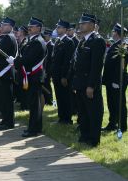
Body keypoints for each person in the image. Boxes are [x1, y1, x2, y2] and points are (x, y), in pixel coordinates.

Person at [72, 13, 106, 147]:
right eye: (80, 23)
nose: (81, 25)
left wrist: (91, 85)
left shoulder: (97, 41)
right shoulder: (82, 40)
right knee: (83, 111)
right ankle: (84, 135)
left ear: (92, 25)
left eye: (84, 23)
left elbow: (96, 67)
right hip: (80, 83)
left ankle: (93, 139)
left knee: (93, 112)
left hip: (89, 84)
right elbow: (77, 64)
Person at [10, 17, 46, 137]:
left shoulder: (37, 42)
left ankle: (33, 130)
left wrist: (15, 61)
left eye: (32, 26)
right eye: (29, 26)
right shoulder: (32, 40)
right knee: (33, 104)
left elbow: (28, 59)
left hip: (35, 77)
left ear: (39, 28)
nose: (29, 28)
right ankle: (34, 127)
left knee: (35, 105)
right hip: (32, 77)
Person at [102, 23, 127, 132]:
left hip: (117, 80)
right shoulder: (115, 44)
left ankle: (122, 126)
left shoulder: (123, 45)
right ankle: (112, 123)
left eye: (113, 31)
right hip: (110, 79)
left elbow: (122, 65)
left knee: (119, 104)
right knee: (111, 103)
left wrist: (117, 81)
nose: (111, 33)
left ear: (116, 33)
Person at [0, 17, 18, 130]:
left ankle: (9, 122)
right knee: (3, 98)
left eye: (4, 25)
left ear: (10, 26)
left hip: (6, 71)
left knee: (7, 98)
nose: (1, 27)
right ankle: (5, 119)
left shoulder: (9, 38)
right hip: (1, 71)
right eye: (1, 25)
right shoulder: (3, 37)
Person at [51, 19, 75, 124]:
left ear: (65, 29)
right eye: (57, 27)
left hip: (63, 76)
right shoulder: (58, 41)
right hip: (56, 75)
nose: (57, 29)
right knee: (59, 97)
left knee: (66, 97)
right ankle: (61, 118)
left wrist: (65, 76)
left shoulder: (68, 42)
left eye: (59, 27)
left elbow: (68, 62)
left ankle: (67, 119)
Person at [42, 28, 54, 105]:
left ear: (49, 36)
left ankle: (49, 100)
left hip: (48, 69)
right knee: (43, 84)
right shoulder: (44, 45)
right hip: (42, 69)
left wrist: (47, 71)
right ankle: (45, 99)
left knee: (47, 84)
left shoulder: (51, 46)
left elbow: (51, 60)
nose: (44, 37)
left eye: (45, 36)